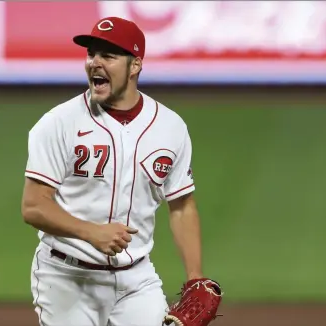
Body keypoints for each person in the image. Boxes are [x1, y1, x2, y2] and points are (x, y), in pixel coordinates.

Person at [21, 16, 204, 326]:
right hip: (66, 277)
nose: (95, 63)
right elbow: (34, 206)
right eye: (91, 54)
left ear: (135, 66)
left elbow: (182, 205)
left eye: (108, 55)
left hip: (137, 279)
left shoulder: (170, 127)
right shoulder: (58, 123)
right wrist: (91, 232)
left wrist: (195, 278)